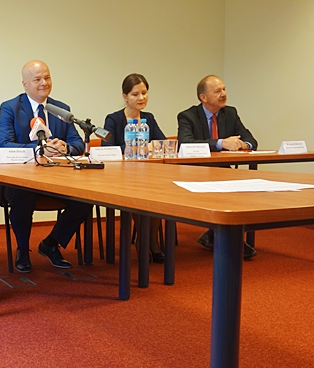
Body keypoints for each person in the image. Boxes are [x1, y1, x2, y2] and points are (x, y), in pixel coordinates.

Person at [0, 60, 92, 273]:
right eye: (37, 79)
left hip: (56, 178)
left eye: (47, 78)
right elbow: (4, 144)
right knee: (22, 197)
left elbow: (77, 144)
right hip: (20, 178)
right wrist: (39, 150)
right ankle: (22, 249)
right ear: (25, 84)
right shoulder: (10, 108)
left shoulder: (61, 109)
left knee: (86, 198)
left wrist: (65, 147)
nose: (44, 83)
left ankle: (51, 243)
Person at [177, 75, 258, 259]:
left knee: (246, 187)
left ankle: (219, 236)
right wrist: (222, 143)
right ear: (203, 97)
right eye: (218, 91)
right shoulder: (187, 116)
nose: (223, 94)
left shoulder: (230, 113)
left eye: (224, 89)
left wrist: (243, 145)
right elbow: (185, 143)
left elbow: (251, 140)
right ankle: (225, 239)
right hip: (196, 171)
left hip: (223, 171)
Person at [102, 73, 166, 263]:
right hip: (121, 176)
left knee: (157, 193)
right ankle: (147, 241)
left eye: (144, 93)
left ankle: (148, 240)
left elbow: (162, 142)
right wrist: (136, 147)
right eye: (135, 94)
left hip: (148, 173)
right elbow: (107, 148)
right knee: (141, 193)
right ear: (125, 96)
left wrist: (152, 146)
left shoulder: (148, 118)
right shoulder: (113, 119)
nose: (141, 98)